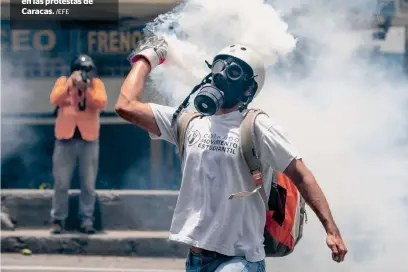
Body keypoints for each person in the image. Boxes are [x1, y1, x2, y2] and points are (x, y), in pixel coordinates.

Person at [115, 37, 347, 271]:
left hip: (239, 260)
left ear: (248, 90)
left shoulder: (257, 126)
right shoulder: (187, 122)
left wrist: (331, 230)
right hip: (195, 260)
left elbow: (301, 175)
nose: (222, 75)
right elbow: (125, 106)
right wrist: (148, 57)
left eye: (234, 71)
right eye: (219, 66)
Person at [49, 54, 107, 234]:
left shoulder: (96, 84)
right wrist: (70, 85)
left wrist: (87, 88)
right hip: (65, 140)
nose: (84, 73)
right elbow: (54, 99)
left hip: (88, 141)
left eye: (88, 70)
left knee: (88, 184)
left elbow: (100, 102)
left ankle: (87, 220)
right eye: (81, 70)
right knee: (61, 183)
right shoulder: (63, 82)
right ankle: (58, 220)